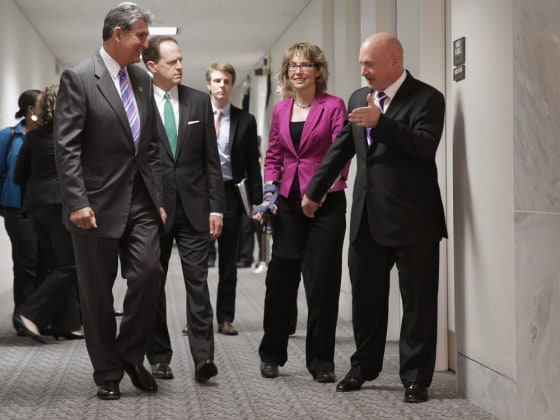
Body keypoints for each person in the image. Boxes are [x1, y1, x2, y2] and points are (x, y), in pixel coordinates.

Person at [302, 33, 447, 403]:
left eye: (370, 64)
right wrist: (315, 191)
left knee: (417, 303)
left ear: (395, 62)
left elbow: (424, 147)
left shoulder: (428, 98)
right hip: (366, 218)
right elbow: (340, 149)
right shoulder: (356, 98)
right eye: (362, 64)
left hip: (414, 220)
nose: (363, 71)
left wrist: (381, 123)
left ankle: (416, 377)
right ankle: (363, 366)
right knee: (366, 299)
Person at [53, 2, 166, 400]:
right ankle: (107, 374)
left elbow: (149, 145)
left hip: (141, 202)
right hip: (94, 206)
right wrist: (77, 201)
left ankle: (131, 354)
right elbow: (65, 147)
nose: (145, 45)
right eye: (140, 36)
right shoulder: (80, 78)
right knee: (97, 293)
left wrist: (158, 195)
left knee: (150, 273)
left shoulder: (141, 79)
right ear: (117, 34)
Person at [253, 42, 349, 383]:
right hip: (289, 206)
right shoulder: (281, 110)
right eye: (292, 65)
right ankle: (271, 353)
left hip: (326, 204)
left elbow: (340, 153)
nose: (297, 70)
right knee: (280, 278)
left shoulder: (334, 106)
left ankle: (321, 360)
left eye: (305, 65)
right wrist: (269, 194)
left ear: (318, 71)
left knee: (322, 282)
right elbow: (274, 157)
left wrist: (316, 192)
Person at [142, 35, 224, 383]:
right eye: (171, 62)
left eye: (180, 60)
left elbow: (211, 161)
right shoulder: (139, 102)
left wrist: (216, 207)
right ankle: (159, 357)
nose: (179, 66)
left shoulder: (199, 102)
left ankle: (204, 357)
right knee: (152, 282)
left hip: (194, 207)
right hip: (153, 209)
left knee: (198, 283)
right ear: (151, 66)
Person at [12, 85, 83, 343]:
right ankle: (29, 313)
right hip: (60, 207)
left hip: (35, 208)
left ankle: (67, 324)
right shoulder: (72, 135)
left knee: (54, 265)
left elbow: (19, 177)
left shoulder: (32, 136)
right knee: (71, 265)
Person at [206, 61, 262, 336]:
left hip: (230, 194)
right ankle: (198, 316)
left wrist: (257, 201)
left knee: (228, 261)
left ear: (231, 85)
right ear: (209, 84)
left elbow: (254, 164)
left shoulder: (245, 120)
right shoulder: (197, 116)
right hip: (202, 195)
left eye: (226, 81)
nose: (221, 86)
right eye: (217, 80)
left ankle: (224, 317)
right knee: (197, 263)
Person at [0, 89, 41, 335]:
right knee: (26, 262)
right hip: (17, 208)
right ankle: (22, 316)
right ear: (29, 110)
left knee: (44, 260)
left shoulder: (47, 134)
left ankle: (38, 315)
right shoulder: (9, 136)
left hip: (43, 209)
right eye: (40, 107)